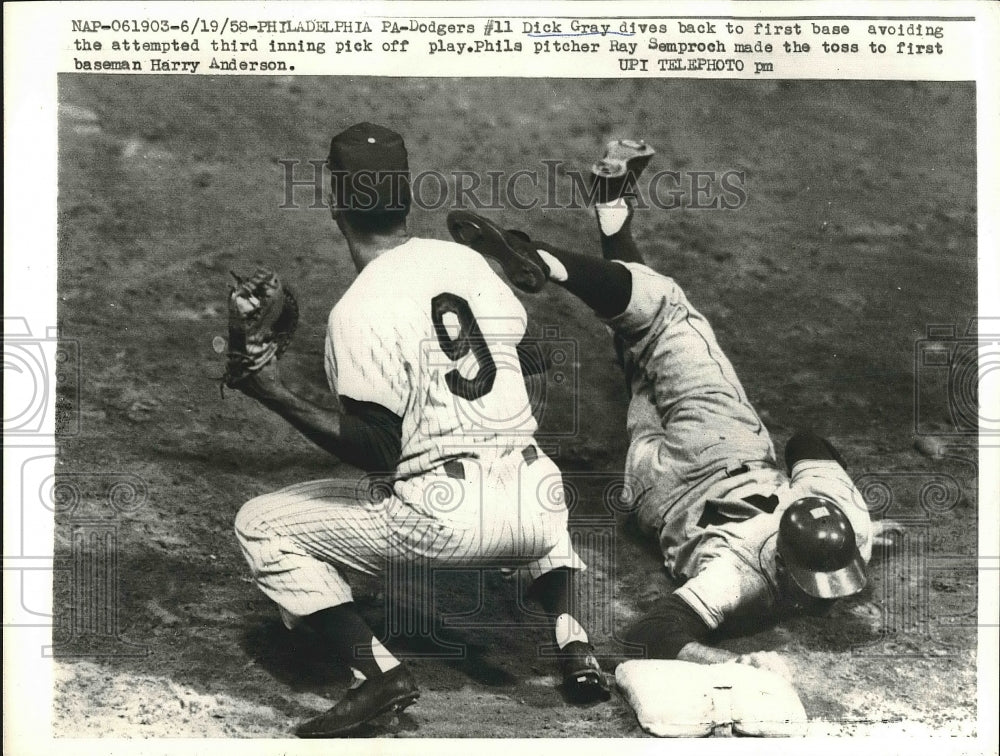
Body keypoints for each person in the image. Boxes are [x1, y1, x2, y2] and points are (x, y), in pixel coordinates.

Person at [231, 123, 609, 738]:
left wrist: (270, 391)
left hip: (448, 524)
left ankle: (377, 674)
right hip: (542, 506)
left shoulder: (356, 310)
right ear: (407, 198)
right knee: (529, 471)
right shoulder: (462, 260)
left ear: (336, 201)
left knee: (262, 523)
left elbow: (378, 449)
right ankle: (574, 643)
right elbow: (532, 355)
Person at [446, 140, 875, 678]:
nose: (827, 601)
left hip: (720, 444)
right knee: (637, 340)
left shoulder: (808, 538)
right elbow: (655, 633)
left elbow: (807, 444)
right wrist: (725, 658)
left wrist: (735, 663)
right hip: (653, 489)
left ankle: (546, 260)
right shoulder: (773, 562)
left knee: (663, 316)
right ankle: (612, 215)